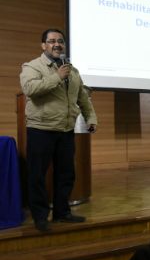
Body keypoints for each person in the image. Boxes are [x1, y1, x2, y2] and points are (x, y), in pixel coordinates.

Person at [19, 28, 98, 232]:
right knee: (37, 175)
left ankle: (62, 213)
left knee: (66, 174)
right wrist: (56, 76)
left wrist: (91, 118)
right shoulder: (32, 67)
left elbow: (82, 98)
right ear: (43, 45)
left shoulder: (72, 71)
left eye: (60, 41)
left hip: (65, 129)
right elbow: (30, 90)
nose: (57, 44)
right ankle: (40, 217)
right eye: (52, 41)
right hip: (41, 129)